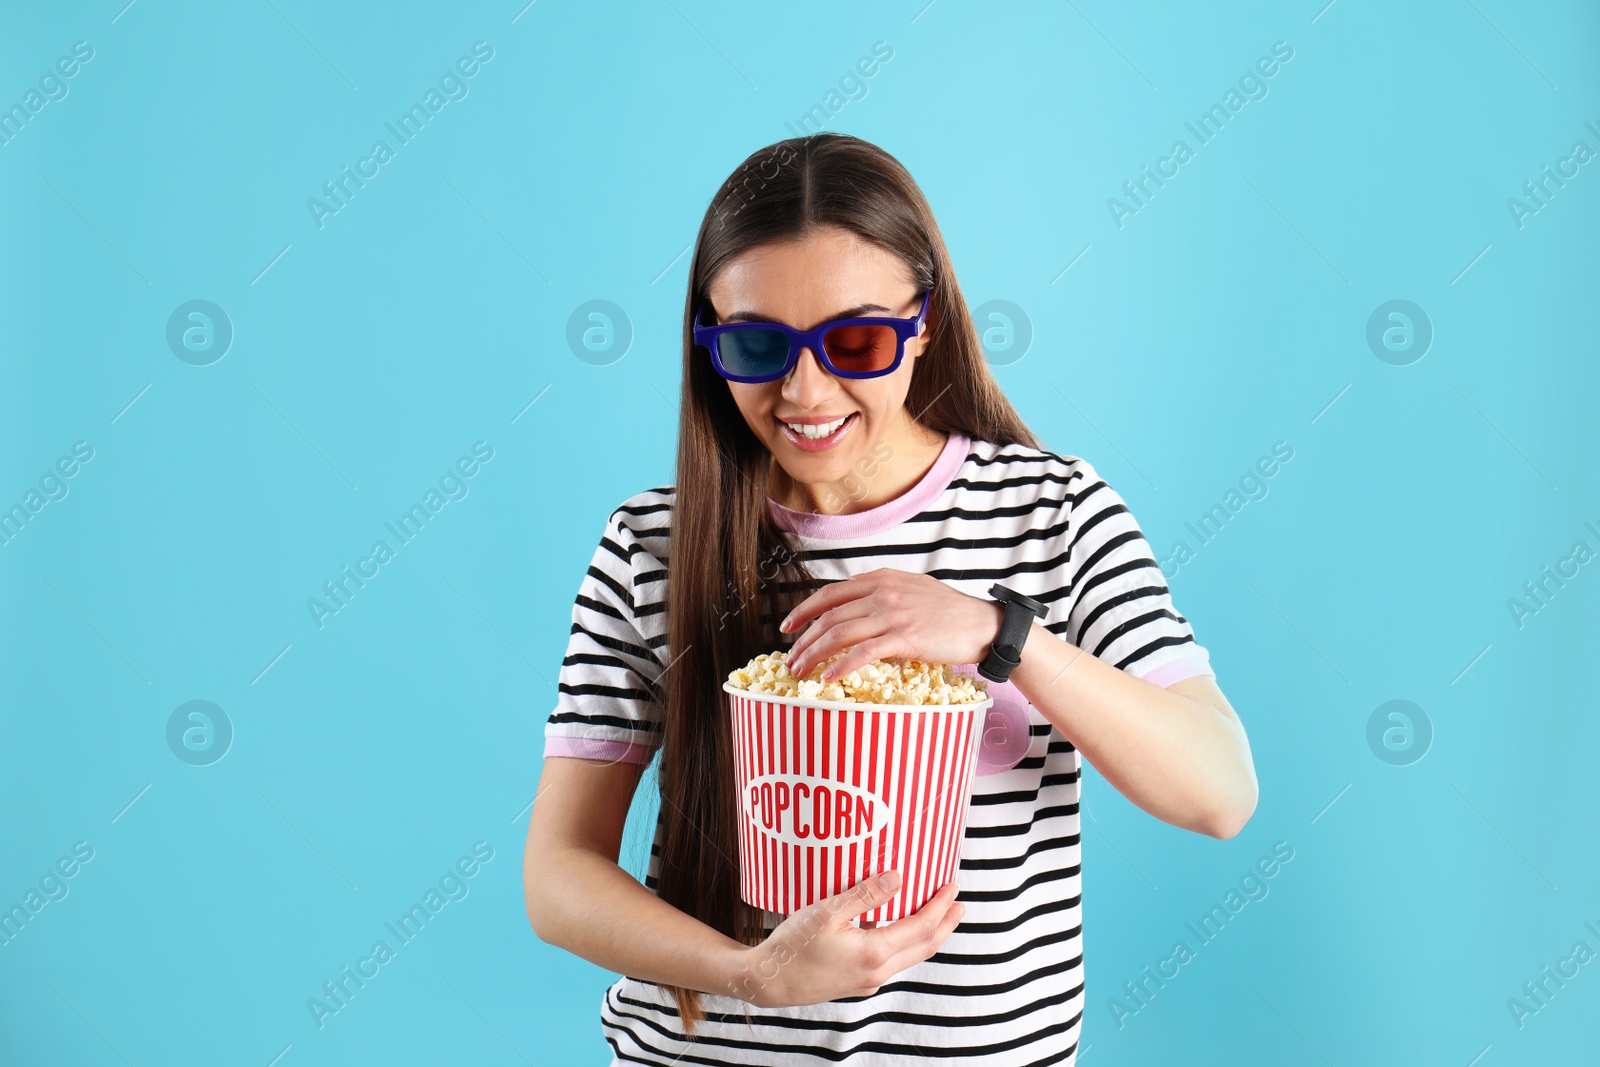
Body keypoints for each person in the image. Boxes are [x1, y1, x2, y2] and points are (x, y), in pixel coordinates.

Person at [524, 131, 1258, 1065]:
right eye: (756, 344)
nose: (804, 388)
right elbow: (558, 873)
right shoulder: (654, 544)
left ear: (927, 325)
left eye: (856, 339)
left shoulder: (1053, 511)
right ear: (711, 342)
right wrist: (754, 973)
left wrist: (1003, 633)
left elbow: (1219, 791)